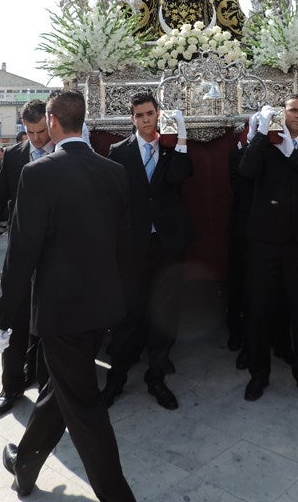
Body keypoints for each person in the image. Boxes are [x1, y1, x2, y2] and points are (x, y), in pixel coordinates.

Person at [0, 89, 136, 501]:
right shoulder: (114, 172)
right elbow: (123, 245)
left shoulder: (38, 175)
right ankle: (24, 463)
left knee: (84, 408)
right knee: (59, 391)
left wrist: (3, 316)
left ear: (53, 121)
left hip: (61, 314)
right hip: (102, 309)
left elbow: (21, 254)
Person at [238, 97, 298, 405]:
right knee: (259, 308)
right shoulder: (267, 143)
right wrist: (262, 136)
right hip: (265, 241)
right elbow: (246, 171)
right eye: (293, 110)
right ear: (283, 113)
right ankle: (259, 373)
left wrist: (292, 154)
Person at [103, 91, 192, 411]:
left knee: (164, 312)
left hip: (167, 245)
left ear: (158, 114)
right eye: (139, 115)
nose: (145, 119)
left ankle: (157, 378)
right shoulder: (118, 151)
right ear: (132, 118)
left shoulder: (171, 149)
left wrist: (181, 140)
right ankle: (117, 379)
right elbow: (113, 200)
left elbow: (181, 178)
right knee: (129, 314)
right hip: (133, 247)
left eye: (149, 113)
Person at [0, 99, 54, 418]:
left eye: (42, 131)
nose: (36, 138)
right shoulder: (15, 157)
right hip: (19, 254)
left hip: (54, 256)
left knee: (48, 324)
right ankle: (10, 386)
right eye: (30, 132)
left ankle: (45, 385)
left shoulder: (65, 152)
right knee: (13, 320)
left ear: (52, 123)